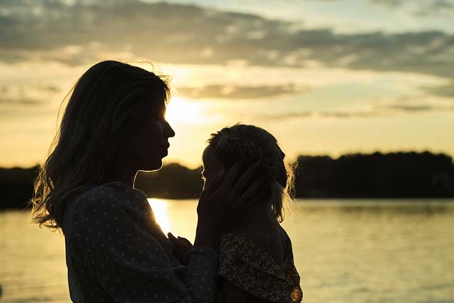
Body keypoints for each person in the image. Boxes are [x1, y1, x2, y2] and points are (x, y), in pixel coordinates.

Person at [30, 60, 261, 303]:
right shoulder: (102, 206)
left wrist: (191, 259)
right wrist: (209, 231)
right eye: (157, 117)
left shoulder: (109, 203)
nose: (170, 131)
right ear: (119, 123)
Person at [199, 124, 303, 303]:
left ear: (236, 178)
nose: (204, 186)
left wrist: (191, 262)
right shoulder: (279, 234)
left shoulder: (240, 242)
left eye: (206, 176)